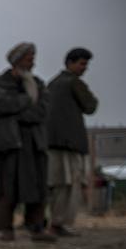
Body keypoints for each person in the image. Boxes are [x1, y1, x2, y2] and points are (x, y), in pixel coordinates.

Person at [0, 42, 56, 242]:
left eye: (33, 58)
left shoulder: (37, 84)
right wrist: (26, 101)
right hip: (8, 145)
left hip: (33, 145)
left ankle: (36, 227)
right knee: (6, 189)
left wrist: (18, 113)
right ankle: (5, 228)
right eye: (28, 58)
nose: (32, 62)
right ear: (17, 60)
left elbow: (42, 111)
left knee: (37, 188)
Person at [45, 47, 98, 237]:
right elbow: (90, 106)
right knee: (69, 184)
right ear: (70, 63)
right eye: (82, 64)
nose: (84, 68)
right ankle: (60, 222)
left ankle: (56, 221)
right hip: (69, 143)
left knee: (59, 184)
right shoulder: (73, 83)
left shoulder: (52, 83)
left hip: (53, 142)